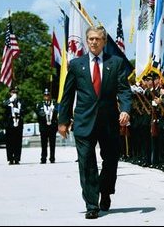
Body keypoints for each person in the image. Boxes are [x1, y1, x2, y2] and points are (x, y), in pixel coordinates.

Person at [58, 25, 132, 220]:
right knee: (86, 163)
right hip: (84, 122)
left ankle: (105, 191)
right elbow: (67, 95)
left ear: (104, 42)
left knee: (111, 159)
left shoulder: (115, 63)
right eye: (90, 38)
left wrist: (125, 110)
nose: (93, 42)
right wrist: (63, 121)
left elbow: (124, 90)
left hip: (109, 122)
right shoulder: (76, 65)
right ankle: (91, 204)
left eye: (97, 39)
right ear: (86, 40)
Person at [3, 86, 25, 165]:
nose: (14, 94)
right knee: (9, 142)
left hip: (18, 124)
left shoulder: (21, 101)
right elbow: (4, 105)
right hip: (9, 124)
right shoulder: (7, 101)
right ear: (10, 93)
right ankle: (10, 159)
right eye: (13, 92)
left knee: (18, 142)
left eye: (16, 92)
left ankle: (17, 158)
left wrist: (18, 110)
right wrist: (10, 100)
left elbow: (24, 110)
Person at [35, 88, 58, 164]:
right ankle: (43, 158)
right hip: (44, 126)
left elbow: (57, 113)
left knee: (52, 143)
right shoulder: (40, 104)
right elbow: (39, 114)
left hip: (52, 126)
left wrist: (53, 110)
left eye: (48, 95)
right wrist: (45, 113)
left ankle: (52, 158)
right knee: (44, 143)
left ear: (50, 96)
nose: (46, 96)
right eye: (45, 95)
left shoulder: (54, 104)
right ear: (43, 96)